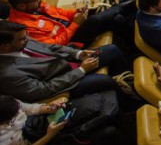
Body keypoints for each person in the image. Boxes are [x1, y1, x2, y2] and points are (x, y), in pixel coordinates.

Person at [0, 20, 128, 103]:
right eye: (22, 39)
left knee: (112, 50)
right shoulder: (7, 75)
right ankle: (128, 105)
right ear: (5, 46)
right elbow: (43, 90)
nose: (26, 39)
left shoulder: (21, 39)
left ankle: (126, 82)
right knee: (105, 81)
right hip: (62, 84)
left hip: (69, 64)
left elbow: (51, 47)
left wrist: (78, 54)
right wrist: (81, 70)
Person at [6, 0, 128, 47]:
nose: (40, 1)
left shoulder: (36, 6)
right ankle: (124, 7)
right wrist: (75, 24)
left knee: (117, 19)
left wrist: (76, 13)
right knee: (94, 21)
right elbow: (55, 45)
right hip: (69, 43)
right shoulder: (22, 26)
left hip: (72, 27)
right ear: (22, 6)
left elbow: (60, 13)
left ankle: (131, 46)